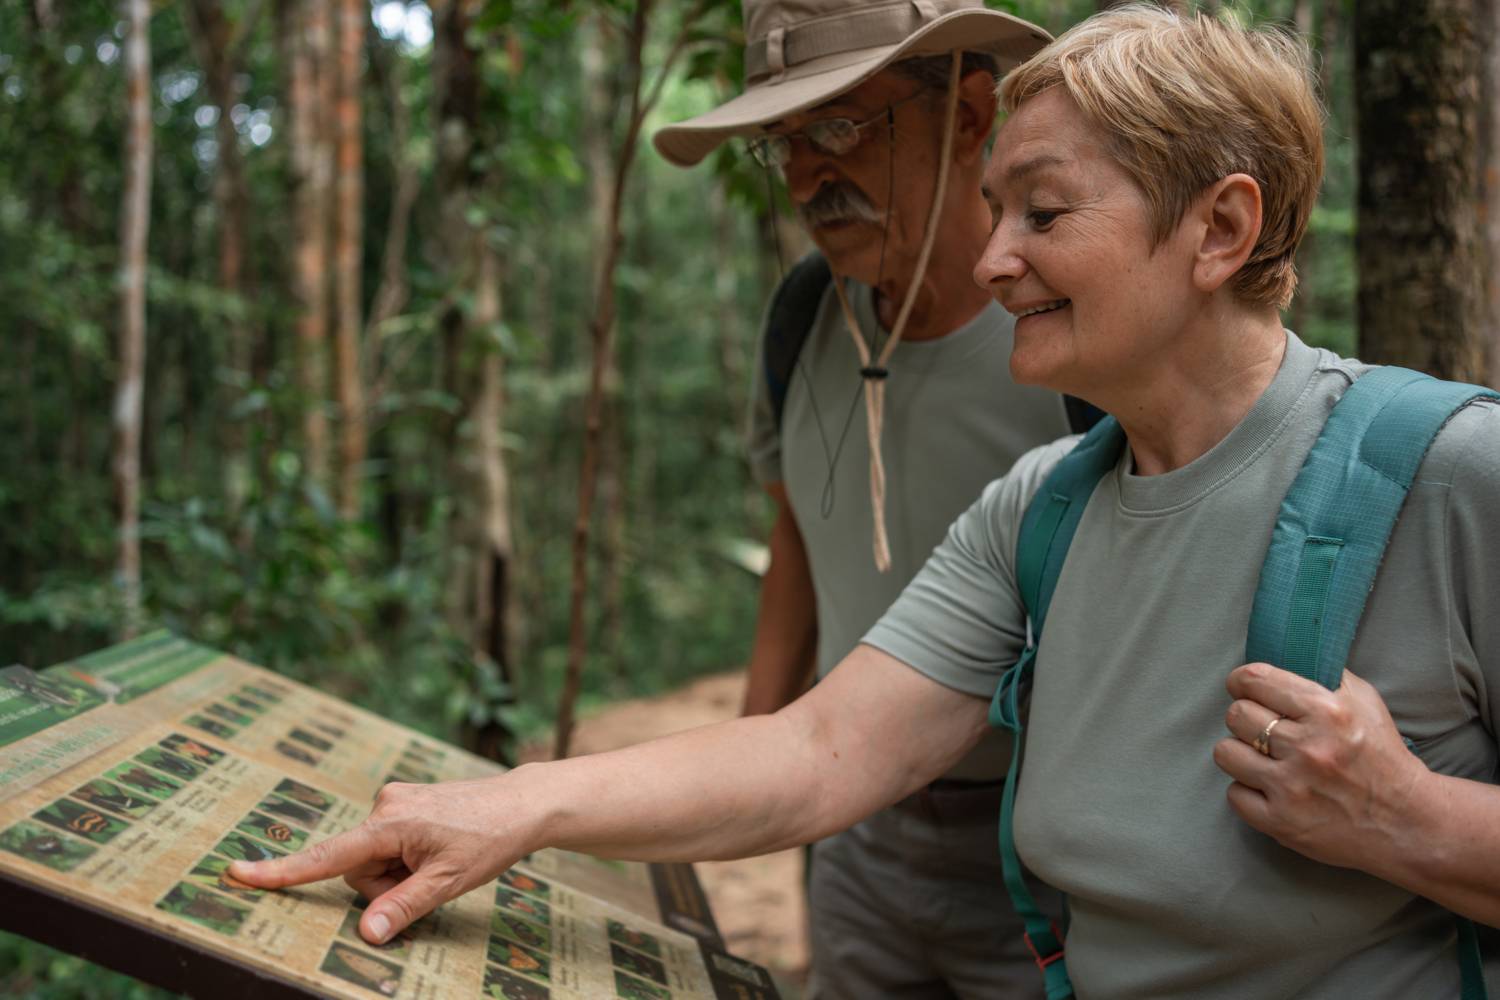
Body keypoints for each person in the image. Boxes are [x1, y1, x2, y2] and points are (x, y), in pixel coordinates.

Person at [233, 8, 1500, 998]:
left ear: (1220, 228)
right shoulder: (1039, 512)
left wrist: (1416, 821)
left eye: (1044, 212)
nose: (996, 256)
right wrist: (510, 806)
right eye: (997, 209)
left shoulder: (1450, 475)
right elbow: (820, 750)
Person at [654, 1, 1070, 994]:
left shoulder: (1069, 337)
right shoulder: (805, 318)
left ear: (970, 115)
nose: (807, 174)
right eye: (785, 142)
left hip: (1045, 856)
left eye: (839, 124)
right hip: (855, 840)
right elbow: (799, 531)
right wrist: (742, 770)